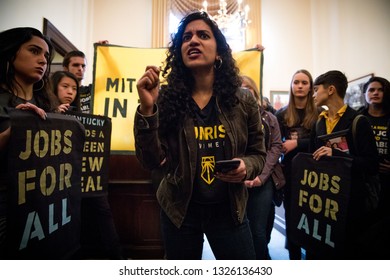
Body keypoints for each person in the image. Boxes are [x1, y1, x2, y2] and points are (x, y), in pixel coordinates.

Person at [134, 11, 266, 260]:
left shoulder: (243, 100)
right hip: (179, 210)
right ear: (180, 53)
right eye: (186, 37)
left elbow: (259, 154)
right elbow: (150, 162)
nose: (193, 41)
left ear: (218, 53)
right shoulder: (165, 99)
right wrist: (147, 109)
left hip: (229, 209)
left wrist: (246, 167)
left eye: (203, 35)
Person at [50, 71, 124, 259]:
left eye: (74, 88)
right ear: (54, 87)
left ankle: (118, 259)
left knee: (101, 215)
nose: (70, 92)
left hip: (85, 178)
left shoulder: (80, 114)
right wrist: (54, 115)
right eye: (65, 87)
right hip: (58, 183)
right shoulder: (45, 110)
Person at [0, 27, 57, 258]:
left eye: (45, 56)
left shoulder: (47, 104)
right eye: (34, 51)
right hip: (6, 211)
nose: (42, 60)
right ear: (11, 54)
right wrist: (18, 128)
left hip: (45, 209)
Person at [310, 70, 379, 259]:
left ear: (330, 89)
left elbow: (372, 164)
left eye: (316, 90)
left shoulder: (358, 121)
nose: (313, 94)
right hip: (326, 199)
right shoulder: (319, 123)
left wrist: (337, 154)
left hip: (351, 202)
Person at [275, 69, 321, 260]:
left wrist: (297, 143)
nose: (300, 86)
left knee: (313, 217)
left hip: (316, 172)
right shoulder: (281, 114)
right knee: (292, 216)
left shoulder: (320, 113)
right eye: (296, 82)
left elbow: (322, 143)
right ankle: (294, 258)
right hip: (290, 171)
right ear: (291, 86)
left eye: (304, 82)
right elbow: (276, 143)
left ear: (311, 87)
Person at [241, 75, 283, 260]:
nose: (244, 92)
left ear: (255, 92)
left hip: (263, 180)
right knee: (239, 230)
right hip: (237, 181)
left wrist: (262, 177)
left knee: (258, 231)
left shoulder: (270, 118)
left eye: (247, 88)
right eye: (240, 88)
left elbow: (275, 147)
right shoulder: (228, 118)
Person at [358, 76, 390, 257]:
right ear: (365, 94)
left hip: (387, 182)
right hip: (365, 181)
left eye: (380, 89)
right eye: (371, 90)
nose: (376, 93)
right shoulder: (358, 119)